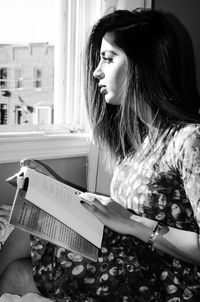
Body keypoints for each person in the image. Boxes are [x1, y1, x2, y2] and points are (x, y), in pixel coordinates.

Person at [1, 8, 200, 302]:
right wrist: (50, 189)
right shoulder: (140, 142)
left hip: (169, 281)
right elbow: (119, 215)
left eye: (107, 58)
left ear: (141, 65)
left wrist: (134, 224)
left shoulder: (189, 139)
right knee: (21, 258)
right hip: (132, 260)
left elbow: (133, 221)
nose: (96, 71)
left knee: (28, 234)